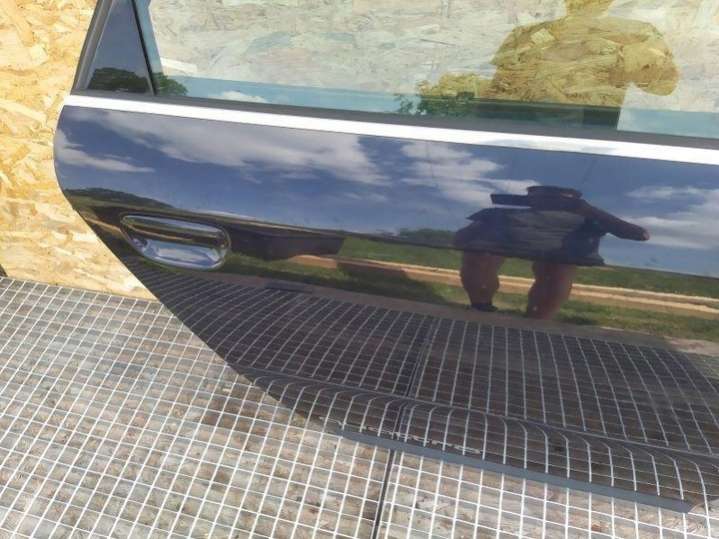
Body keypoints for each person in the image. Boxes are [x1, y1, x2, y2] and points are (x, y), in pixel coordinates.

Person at [456, 186, 649, 319]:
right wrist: (480, 236)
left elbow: (640, 235)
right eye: (544, 194)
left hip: (561, 255)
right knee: (479, 257)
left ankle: (537, 323)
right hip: (499, 246)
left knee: (559, 270)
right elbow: (460, 239)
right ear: (530, 197)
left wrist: (590, 211)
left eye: (558, 197)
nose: (551, 199)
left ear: (576, 201)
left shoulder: (589, 219)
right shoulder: (500, 214)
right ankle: (481, 307)